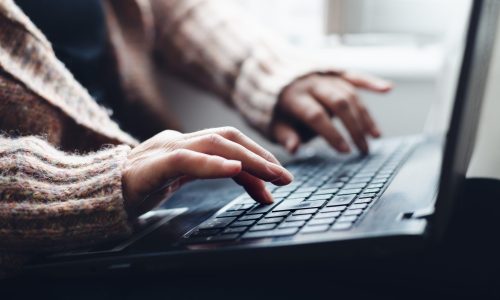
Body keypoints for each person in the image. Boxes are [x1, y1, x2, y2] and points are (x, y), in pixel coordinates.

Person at [0, 0, 392, 276]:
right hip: (42, 259)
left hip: (159, 205)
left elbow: (160, 9)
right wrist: (95, 184)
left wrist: (269, 74)